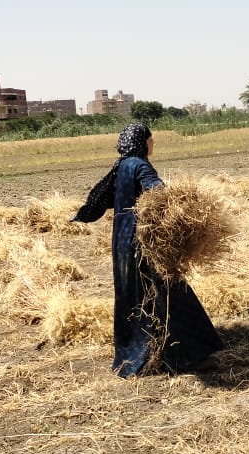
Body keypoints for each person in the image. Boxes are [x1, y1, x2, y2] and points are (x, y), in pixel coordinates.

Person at [74, 122, 222, 377]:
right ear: (142, 142)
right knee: (170, 296)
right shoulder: (140, 165)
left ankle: (132, 355)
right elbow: (158, 193)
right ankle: (186, 357)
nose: (153, 143)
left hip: (122, 242)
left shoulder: (121, 166)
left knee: (134, 298)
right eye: (151, 139)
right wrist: (182, 206)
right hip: (143, 243)